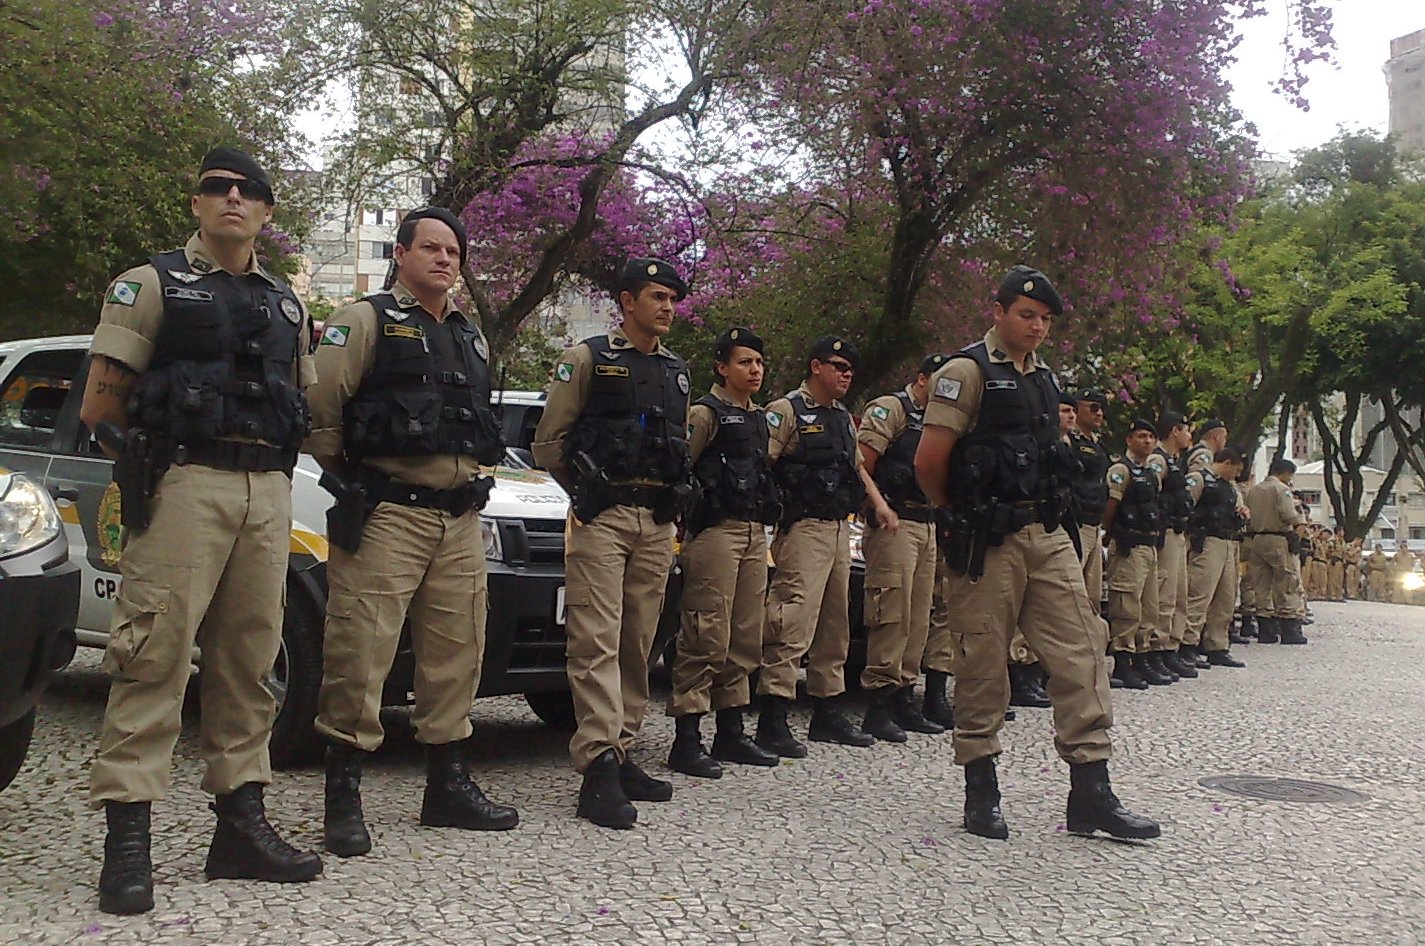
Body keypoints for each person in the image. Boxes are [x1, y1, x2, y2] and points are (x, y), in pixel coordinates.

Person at [81, 147, 322, 915]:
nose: (231, 198)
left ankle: (240, 827)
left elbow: (305, 407)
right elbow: (100, 408)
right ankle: (129, 841)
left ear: (265, 212)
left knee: (249, 662)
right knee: (151, 654)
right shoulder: (150, 283)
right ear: (196, 203)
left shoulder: (287, 303)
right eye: (216, 187)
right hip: (186, 481)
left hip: (267, 488)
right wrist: (150, 469)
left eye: (248, 190)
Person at [913, 265, 1158, 841]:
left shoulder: (1045, 380)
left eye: (1045, 319)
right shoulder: (965, 372)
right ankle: (981, 787)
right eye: (1027, 315)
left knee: (1082, 651)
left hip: (1047, 536)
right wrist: (964, 516)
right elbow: (929, 464)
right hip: (987, 538)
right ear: (998, 311)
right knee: (982, 661)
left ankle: (1091, 792)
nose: (1037, 327)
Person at [306, 207, 519, 857]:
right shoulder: (364, 321)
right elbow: (322, 416)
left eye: (453, 250)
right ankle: (342, 795)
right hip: (388, 512)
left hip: (458, 518)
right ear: (400, 254)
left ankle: (446, 787)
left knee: (456, 653)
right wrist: (365, 483)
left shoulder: (470, 337)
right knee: (360, 653)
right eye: (430, 247)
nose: (444, 259)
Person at [533, 257, 693, 829]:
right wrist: (586, 494)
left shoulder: (677, 371)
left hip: (656, 521)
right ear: (627, 301)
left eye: (673, 297)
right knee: (595, 639)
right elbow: (549, 443)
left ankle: (622, 750)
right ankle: (598, 763)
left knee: (638, 641)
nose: (668, 307)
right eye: (657, 296)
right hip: (604, 517)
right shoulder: (588, 359)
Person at [756, 337, 895, 754]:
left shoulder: (840, 419)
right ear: (816, 366)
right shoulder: (786, 412)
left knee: (835, 625)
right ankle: (773, 713)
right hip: (803, 528)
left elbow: (856, 468)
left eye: (851, 368)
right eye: (839, 366)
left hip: (838, 528)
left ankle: (827, 710)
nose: (846, 374)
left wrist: (880, 505)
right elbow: (761, 463)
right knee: (792, 618)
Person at [664, 327, 781, 777]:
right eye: (744, 362)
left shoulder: (757, 418)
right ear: (722, 367)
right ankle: (687, 737)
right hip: (714, 532)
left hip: (753, 533)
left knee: (744, 634)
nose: (754, 370)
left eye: (758, 363)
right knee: (704, 631)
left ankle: (731, 731)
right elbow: (682, 465)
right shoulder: (705, 414)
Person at [855, 354, 952, 740]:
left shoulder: (941, 421)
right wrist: (879, 506)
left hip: (927, 523)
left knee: (918, 617)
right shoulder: (891, 409)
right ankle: (878, 702)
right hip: (895, 523)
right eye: (940, 384)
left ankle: (903, 696)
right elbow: (861, 464)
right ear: (922, 379)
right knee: (890, 614)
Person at [1102, 420, 1168, 688]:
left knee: (1149, 607)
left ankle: (1142, 656)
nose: (1147, 441)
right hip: (1128, 545)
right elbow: (1111, 505)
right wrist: (1108, 535)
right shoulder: (1121, 470)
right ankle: (1123, 661)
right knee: (1126, 605)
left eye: (1151, 436)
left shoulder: (1151, 473)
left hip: (1148, 545)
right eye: (1141, 436)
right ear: (1129, 440)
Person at [1183, 447, 1247, 667]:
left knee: (1226, 597)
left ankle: (1217, 644)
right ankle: (1188, 643)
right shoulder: (1199, 478)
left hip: (1227, 541)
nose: (1236, 475)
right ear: (1226, 463)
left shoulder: (1229, 486)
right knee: (1199, 594)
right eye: (1236, 470)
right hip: (1206, 540)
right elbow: (1185, 507)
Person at [1151, 412, 1198, 678]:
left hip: (1178, 532)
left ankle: (1171, 647)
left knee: (1180, 594)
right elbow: (1152, 496)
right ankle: (1157, 648)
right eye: (1185, 430)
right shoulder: (1159, 459)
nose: (1189, 435)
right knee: (1165, 593)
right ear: (1173, 431)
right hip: (1165, 532)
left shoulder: (1174, 460)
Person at [1244, 458, 1308, 645]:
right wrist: (1299, 527)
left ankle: (1266, 631)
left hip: (1257, 539)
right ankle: (1289, 631)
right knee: (1286, 582)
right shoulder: (1282, 490)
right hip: (1279, 538)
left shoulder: (1253, 490)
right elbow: (1289, 515)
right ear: (1286, 473)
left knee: (1261, 585)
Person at [1068, 391, 1111, 622]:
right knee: (1068, 590)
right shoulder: (1069, 440)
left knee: (1091, 594)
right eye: (1094, 408)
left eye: (1102, 408)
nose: (1100, 413)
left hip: (1094, 522)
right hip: (1075, 520)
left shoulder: (1097, 444)